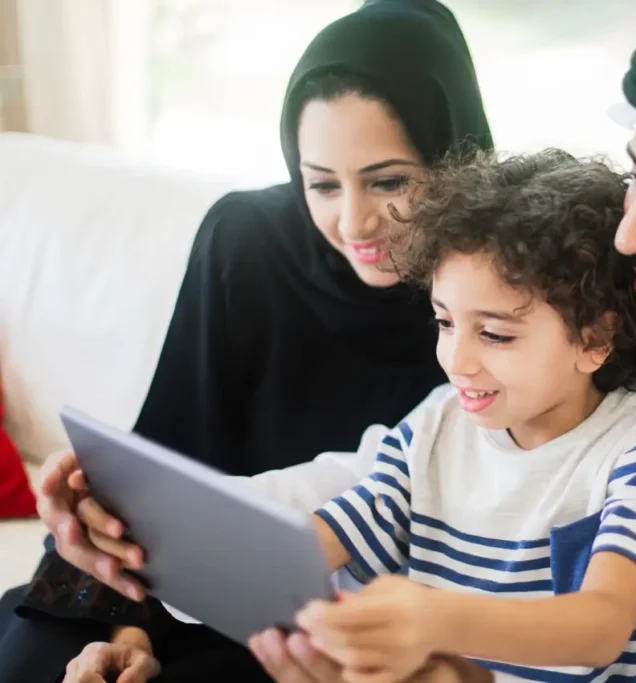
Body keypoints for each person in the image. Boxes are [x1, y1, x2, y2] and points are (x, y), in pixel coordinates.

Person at [32, 1, 636, 682]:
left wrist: (444, 647)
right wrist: (145, 532)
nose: (631, 232)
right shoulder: (629, 314)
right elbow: (354, 487)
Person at [0, 1, 492, 682]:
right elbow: (176, 459)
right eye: (321, 184)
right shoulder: (250, 242)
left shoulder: (499, 287)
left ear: (453, 157)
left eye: (389, 181)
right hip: (185, 598)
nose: (353, 222)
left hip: (356, 633)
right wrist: (130, 634)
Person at [250, 149, 636, 683]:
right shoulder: (434, 430)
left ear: (594, 339)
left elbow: (601, 626)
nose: (457, 361)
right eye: (444, 322)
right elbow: (320, 540)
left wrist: (433, 620)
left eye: (494, 333)